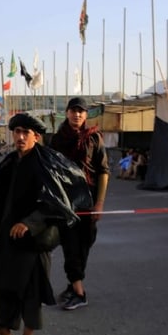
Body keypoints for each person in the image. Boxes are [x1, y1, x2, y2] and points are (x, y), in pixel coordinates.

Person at [0, 113, 89, 335]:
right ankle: (3, 331)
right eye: (16, 132)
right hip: (7, 237)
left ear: (36, 136)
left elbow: (58, 202)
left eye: (26, 132)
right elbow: (2, 203)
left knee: (31, 292)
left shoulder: (44, 164)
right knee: (2, 285)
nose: (20, 137)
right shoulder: (9, 162)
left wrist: (29, 223)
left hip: (34, 241)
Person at [49, 97, 110, 310]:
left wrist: (99, 203)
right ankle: (79, 293)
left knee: (84, 245)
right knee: (70, 246)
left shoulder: (94, 138)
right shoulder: (57, 140)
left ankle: (74, 284)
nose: (78, 115)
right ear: (66, 113)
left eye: (82, 112)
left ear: (86, 115)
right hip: (66, 203)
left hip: (89, 202)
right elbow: (52, 172)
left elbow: (103, 172)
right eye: (74, 111)